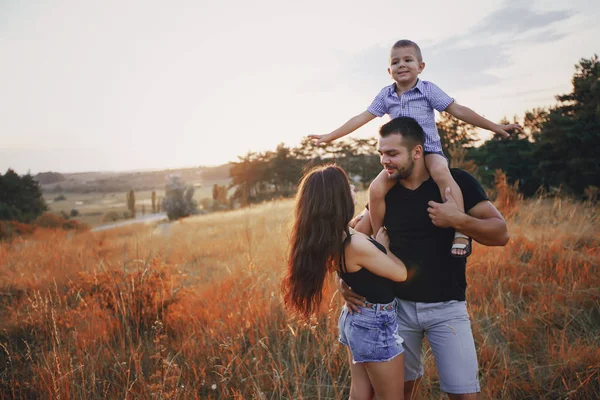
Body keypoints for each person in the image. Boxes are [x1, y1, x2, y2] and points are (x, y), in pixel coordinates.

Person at [341, 117, 509, 400]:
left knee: (464, 395)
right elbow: (351, 243)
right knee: (401, 393)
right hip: (397, 311)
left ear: (417, 152)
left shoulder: (457, 183)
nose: (385, 160)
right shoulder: (385, 192)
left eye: (392, 153)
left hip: (448, 308)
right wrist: (344, 282)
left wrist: (459, 220)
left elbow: (500, 233)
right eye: (381, 153)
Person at [309, 39, 519, 258]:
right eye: (396, 62)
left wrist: (494, 127)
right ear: (389, 71)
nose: (402, 65)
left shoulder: (427, 90)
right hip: (402, 158)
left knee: (440, 172)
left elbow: (459, 110)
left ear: (421, 66)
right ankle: (381, 239)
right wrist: (330, 136)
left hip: (429, 150)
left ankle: (460, 230)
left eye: (408, 60)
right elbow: (362, 117)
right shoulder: (386, 95)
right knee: (375, 189)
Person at [281, 164, 409, 400]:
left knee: (360, 393)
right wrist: (384, 247)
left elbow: (359, 218)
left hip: (357, 319)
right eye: (346, 185)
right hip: (374, 323)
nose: (351, 187)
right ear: (337, 199)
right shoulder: (356, 244)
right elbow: (401, 273)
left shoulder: (333, 237)